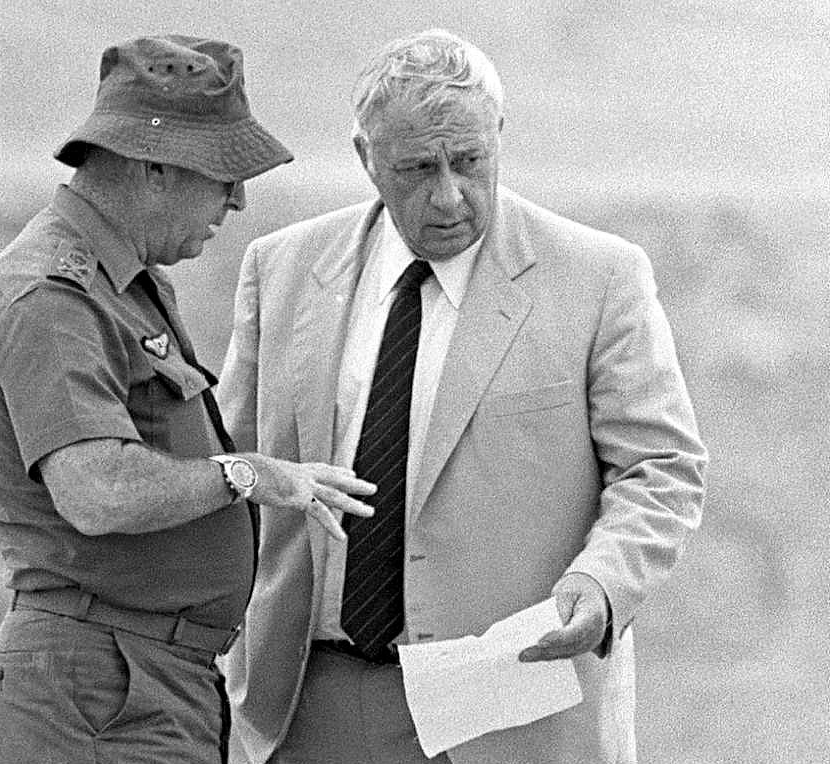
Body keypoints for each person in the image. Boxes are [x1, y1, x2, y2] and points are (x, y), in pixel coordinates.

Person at [218, 29, 707, 764]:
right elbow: (235, 467)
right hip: (307, 704)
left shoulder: (601, 277)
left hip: (514, 709)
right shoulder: (280, 268)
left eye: (471, 161)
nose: (449, 196)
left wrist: (602, 585)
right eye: (417, 167)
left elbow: (661, 470)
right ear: (365, 158)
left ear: (499, 137)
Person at [0, 35, 376, 764]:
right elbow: (95, 490)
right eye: (222, 174)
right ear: (152, 167)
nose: (238, 200)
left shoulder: (120, 285)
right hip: (102, 691)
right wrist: (246, 474)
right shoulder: (53, 294)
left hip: (140, 683)